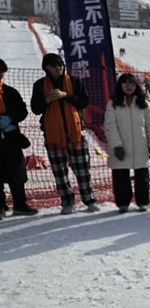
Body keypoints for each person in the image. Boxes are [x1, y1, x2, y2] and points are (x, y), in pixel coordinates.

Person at [30, 53, 100, 215]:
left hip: (75, 132)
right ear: (46, 67)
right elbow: (35, 109)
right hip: (53, 134)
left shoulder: (74, 81)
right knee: (59, 170)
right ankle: (67, 201)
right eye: (54, 65)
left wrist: (66, 96)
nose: (58, 68)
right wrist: (46, 100)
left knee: (82, 168)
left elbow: (84, 102)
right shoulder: (40, 85)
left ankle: (89, 199)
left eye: (60, 64)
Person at [104, 74, 150, 213]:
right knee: (121, 175)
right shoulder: (113, 103)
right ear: (120, 86)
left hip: (141, 145)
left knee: (142, 175)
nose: (129, 87)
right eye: (125, 84)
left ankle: (143, 202)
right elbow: (110, 126)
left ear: (136, 86)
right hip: (121, 146)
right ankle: (123, 203)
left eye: (132, 84)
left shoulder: (143, 103)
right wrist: (116, 145)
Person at [0, 59, 38, 217]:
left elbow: (22, 111)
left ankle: (20, 204)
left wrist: (10, 118)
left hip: (11, 138)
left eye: (2, 73)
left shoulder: (9, 92)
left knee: (17, 171)